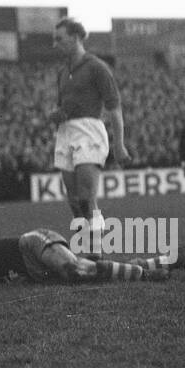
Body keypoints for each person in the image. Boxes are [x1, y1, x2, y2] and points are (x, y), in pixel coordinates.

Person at [51, 18, 129, 223]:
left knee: (86, 198)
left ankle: (95, 251)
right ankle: (85, 247)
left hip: (89, 131)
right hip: (66, 132)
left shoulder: (97, 67)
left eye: (59, 39)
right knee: (74, 201)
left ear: (76, 37)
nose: (55, 44)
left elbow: (114, 107)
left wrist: (119, 144)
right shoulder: (62, 72)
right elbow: (63, 106)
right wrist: (57, 114)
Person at [0, 230, 185, 285]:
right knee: (87, 270)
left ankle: (148, 274)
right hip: (37, 269)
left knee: (78, 270)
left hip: (32, 246)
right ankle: (172, 259)